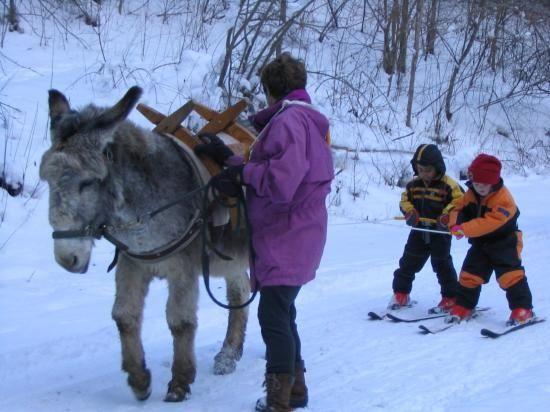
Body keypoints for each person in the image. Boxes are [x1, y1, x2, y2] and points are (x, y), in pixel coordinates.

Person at [195, 53, 334, 411]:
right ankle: (295, 390)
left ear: (269, 90)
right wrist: (230, 160)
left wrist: (242, 175)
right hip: (299, 231)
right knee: (283, 312)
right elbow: (277, 166)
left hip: (286, 233)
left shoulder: (288, 122)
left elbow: (281, 181)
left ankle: (279, 401)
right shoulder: (304, 120)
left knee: (273, 316)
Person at [446, 154, 534, 325]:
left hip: (504, 243)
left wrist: (465, 229)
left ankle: (522, 309)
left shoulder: (504, 199)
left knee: (510, 276)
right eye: (476, 183)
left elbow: (491, 223)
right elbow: (458, 208)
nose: (479, 188)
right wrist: (455, 224)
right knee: (469, 275)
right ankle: (465, 305)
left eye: (484, 185)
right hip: (481, 243)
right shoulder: (471, 193)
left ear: (493, 181)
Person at [389, 144, 463, 312]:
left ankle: (450, 297)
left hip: (440, 231)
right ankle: (401, 293)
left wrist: (446, 215)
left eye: (428, 170)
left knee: (441, 264)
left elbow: (459, 201)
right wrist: (410, 212)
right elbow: (405, 200)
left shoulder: (448, 185)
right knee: (408, 262)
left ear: (437, 167)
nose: (424, 173)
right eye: (420, 169)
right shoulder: (413, 185)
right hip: (419, 230)